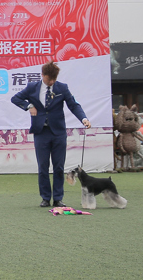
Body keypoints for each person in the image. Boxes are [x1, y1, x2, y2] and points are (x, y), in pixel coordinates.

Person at [11, 61, 91, 207]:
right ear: (43, 75)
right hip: (41, 133)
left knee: (59, 167)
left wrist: (84, 119)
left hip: (58, 133)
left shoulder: (62, 88)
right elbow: (15, 98)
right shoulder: (32, 87)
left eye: (54, 79)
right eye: (49, 79)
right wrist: (29, 106)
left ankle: (58, 198)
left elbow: (73, 105)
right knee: (43, 167)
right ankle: (45, 198)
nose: (52, 82)